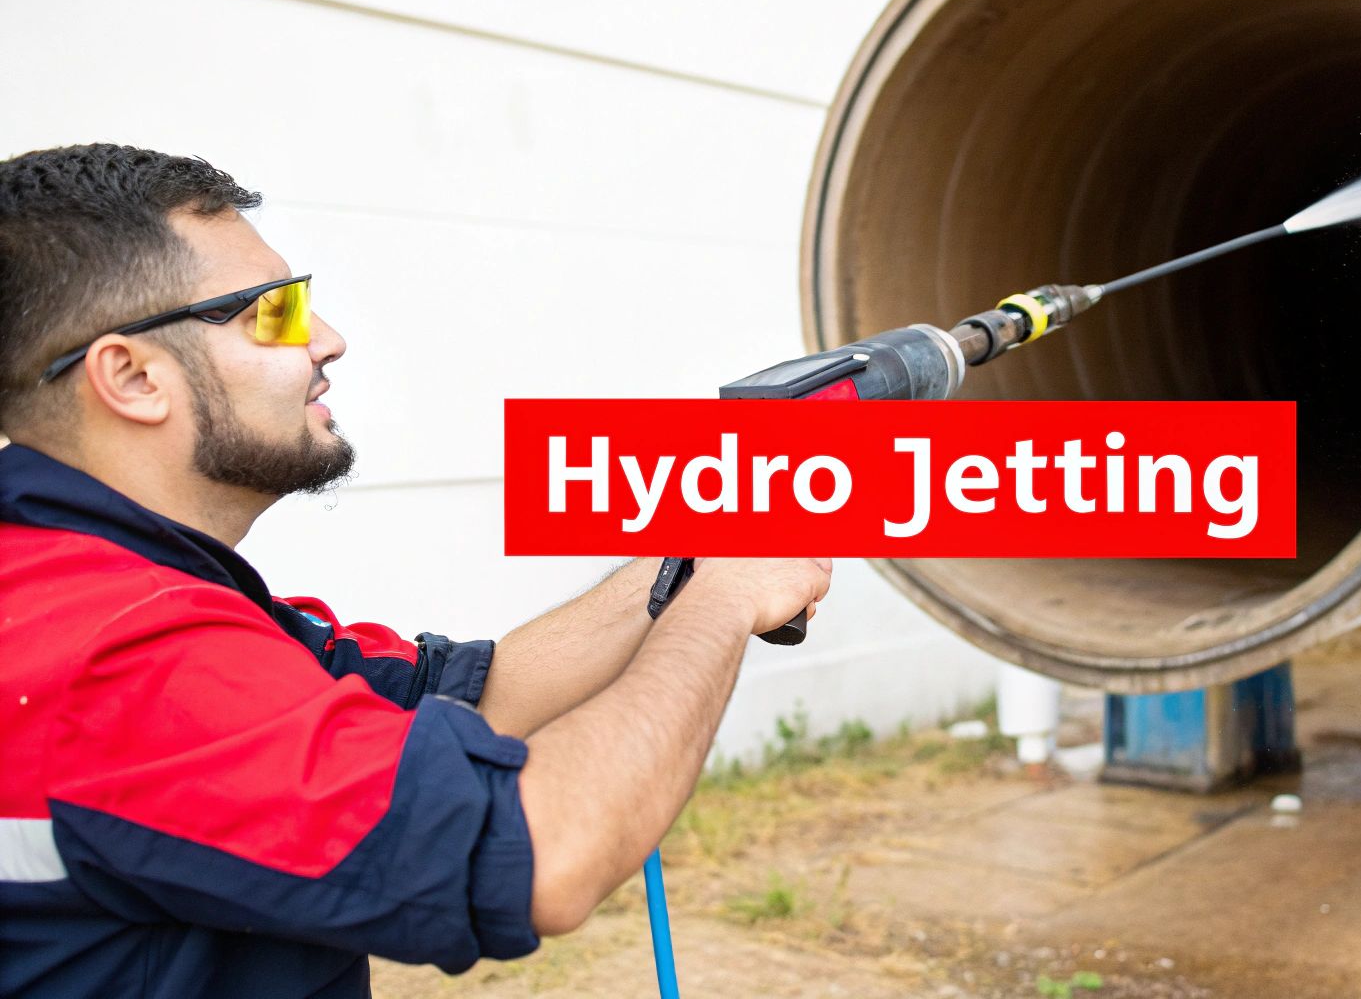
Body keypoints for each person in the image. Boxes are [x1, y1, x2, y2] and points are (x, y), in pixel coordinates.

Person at [0, 143, 832, 998]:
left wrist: (703, 545)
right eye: (274, 313)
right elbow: (546, 851)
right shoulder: (109, 656)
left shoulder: (112, 592)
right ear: (133, 376)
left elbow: (479, 695)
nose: (328, 341)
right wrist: (723, 602)